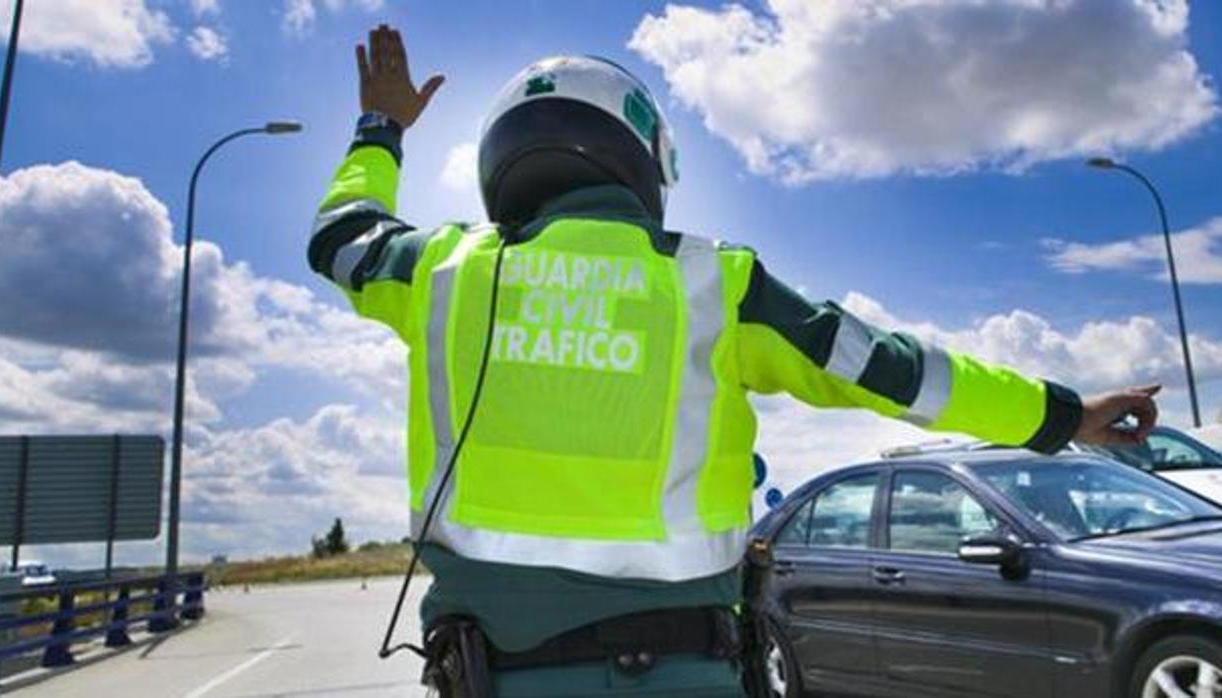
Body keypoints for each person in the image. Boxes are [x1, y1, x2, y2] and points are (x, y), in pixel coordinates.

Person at [308, 24, 1160, 698]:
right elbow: (897, 371)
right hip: (685, 669)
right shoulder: (717, 284)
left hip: (492, 672)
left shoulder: (441, 273)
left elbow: (341, 237)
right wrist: (1062, 413)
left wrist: (379, 128)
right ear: (645, 161)